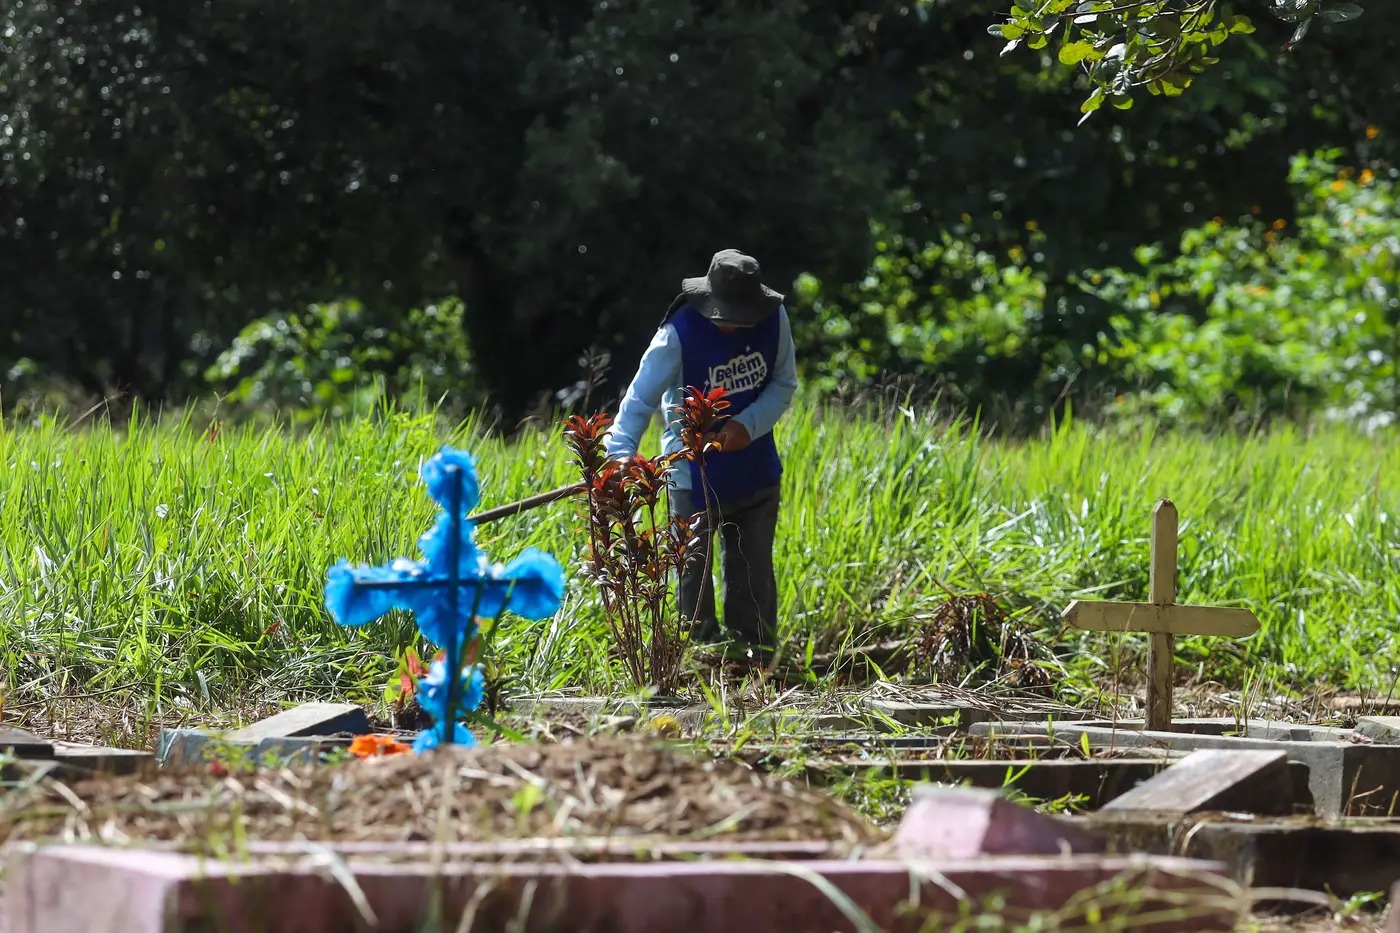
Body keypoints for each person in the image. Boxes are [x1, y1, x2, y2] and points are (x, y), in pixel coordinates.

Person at [604, 248, 798, 664]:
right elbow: (639, 399)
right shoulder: (677, 334)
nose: (733, 324)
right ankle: (699, 663)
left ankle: (755, 661)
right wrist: (620, 454)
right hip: (691, 478)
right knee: (691, 576)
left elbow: (784, 383)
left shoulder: (775, 319)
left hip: (756, 473)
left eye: (742, 317)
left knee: (753, 577)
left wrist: (746, 425)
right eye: (726, 316)